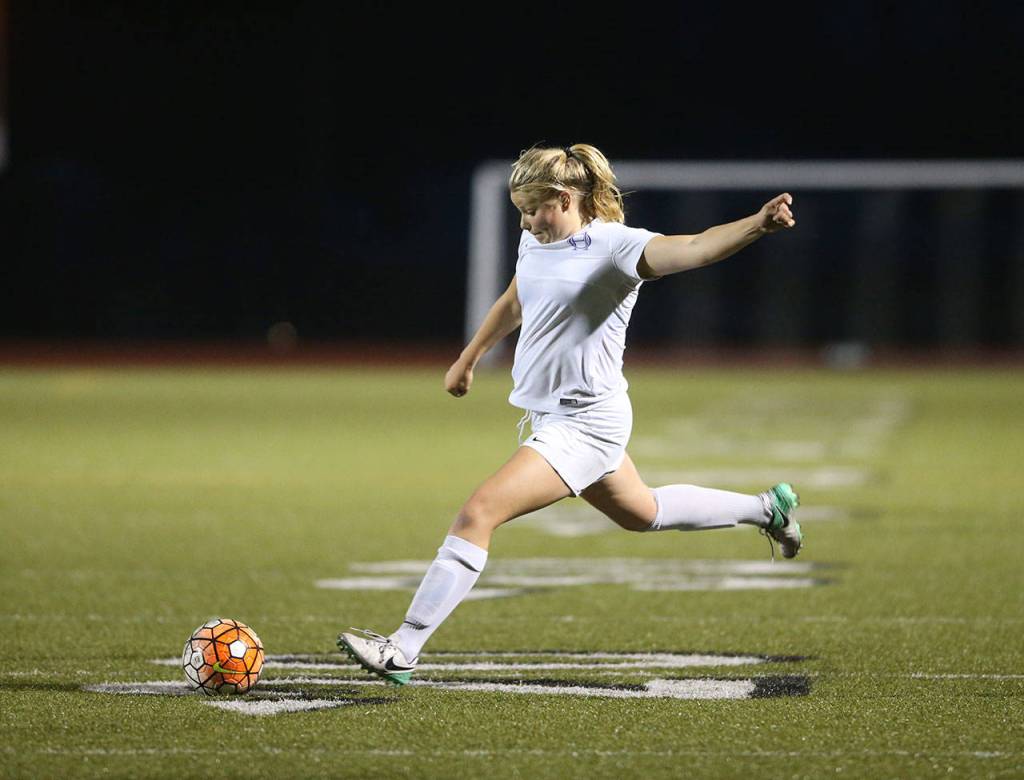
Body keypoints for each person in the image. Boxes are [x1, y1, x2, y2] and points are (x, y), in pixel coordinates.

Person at [338, 143, 802, 685]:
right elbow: (516, 298)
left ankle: (403, 648)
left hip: (586, 422)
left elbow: (695, 248)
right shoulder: (535, 242)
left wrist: (758, 224)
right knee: (643, 512)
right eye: (519, 212)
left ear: (562, 198)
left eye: (533, 209)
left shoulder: (614, 247)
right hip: (554, 419)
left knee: (478, 513)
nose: (526, 222)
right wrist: (469, 358)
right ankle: (767, 508)